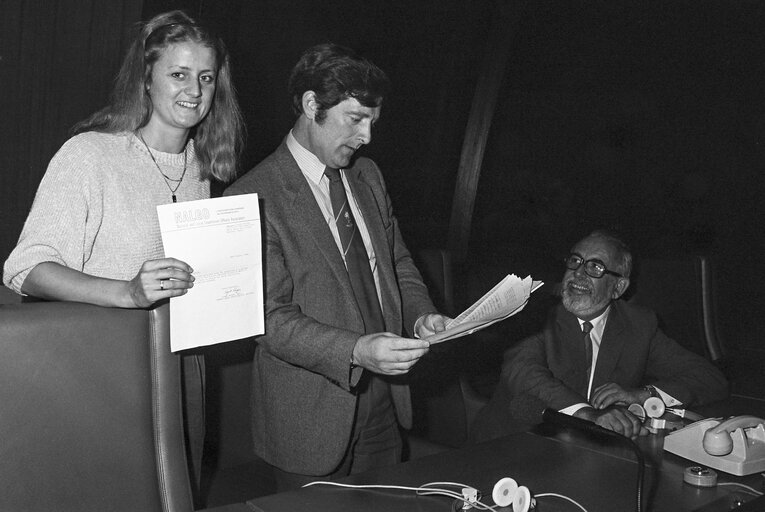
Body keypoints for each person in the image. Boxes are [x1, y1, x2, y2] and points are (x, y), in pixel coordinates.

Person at [3, 9, 244, 500]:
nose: (194, 91)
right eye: (178, 74)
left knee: (180, 495)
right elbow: (24, 269)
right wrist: (128, 293)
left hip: (184, 365)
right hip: (104, 364)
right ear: (146, 79)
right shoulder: (90, 155)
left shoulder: (202, 168)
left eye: (205, 77)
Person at [224, 43, 450, 489]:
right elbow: (267, 319)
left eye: (372, 122)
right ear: (312, 105)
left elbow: (398, 264)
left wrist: (422, 315)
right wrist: (357, 351)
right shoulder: (250, 197)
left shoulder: (369, 177)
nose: (367, 136)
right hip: (309, 421)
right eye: (355, 119)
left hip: (387, 408)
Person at [471, 230, 728, 441]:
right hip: (513, 445)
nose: (579, 274)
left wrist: (643, 395)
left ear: (618, 287)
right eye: (575, 261)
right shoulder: (534, 311)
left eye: (595, 267)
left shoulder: (639, 325)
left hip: (589, 454)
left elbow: (709, 379)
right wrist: (587, 415)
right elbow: (524, 372)